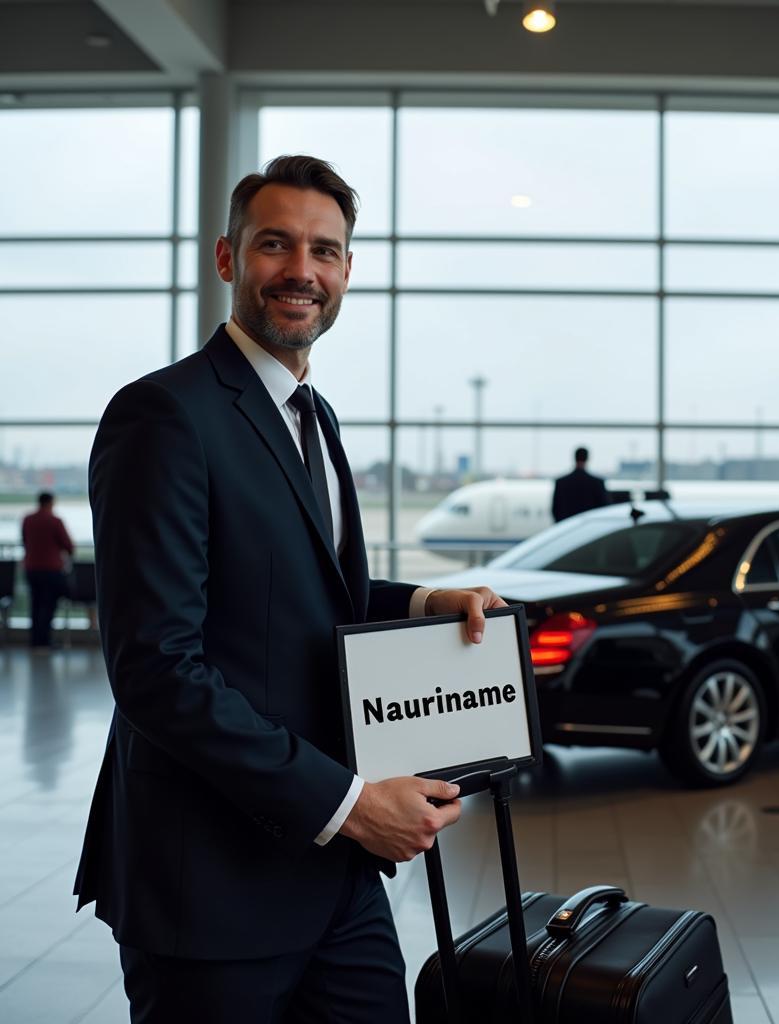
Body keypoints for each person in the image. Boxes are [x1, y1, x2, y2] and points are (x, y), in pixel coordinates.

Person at [74, 155, 505, 1024]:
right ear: (229, 259)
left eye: (326, 250)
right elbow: (158, 668)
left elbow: (301, 589)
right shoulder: (164, 415)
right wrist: (351, 807)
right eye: (276, 244)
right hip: (214, 883)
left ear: (346, 272)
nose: (302, 270)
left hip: (331, 876)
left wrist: (426, 604)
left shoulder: (314, 413)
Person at [21, 491, 73, 650]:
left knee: (35, 605)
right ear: (51, 503)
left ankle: (35, 641)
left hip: (31, 569)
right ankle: (45, 641)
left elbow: (24, 541)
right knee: (49, 605)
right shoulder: (55, 521)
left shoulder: (28, 520)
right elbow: (68, 546)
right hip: (51, 570)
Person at [551, 446, 609, 522]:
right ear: (587, 459)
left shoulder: (561, 483)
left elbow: (555, 509)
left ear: (574, 458)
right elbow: (604, 508)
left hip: (567, 527)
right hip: (590, 527)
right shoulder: (597, 483)